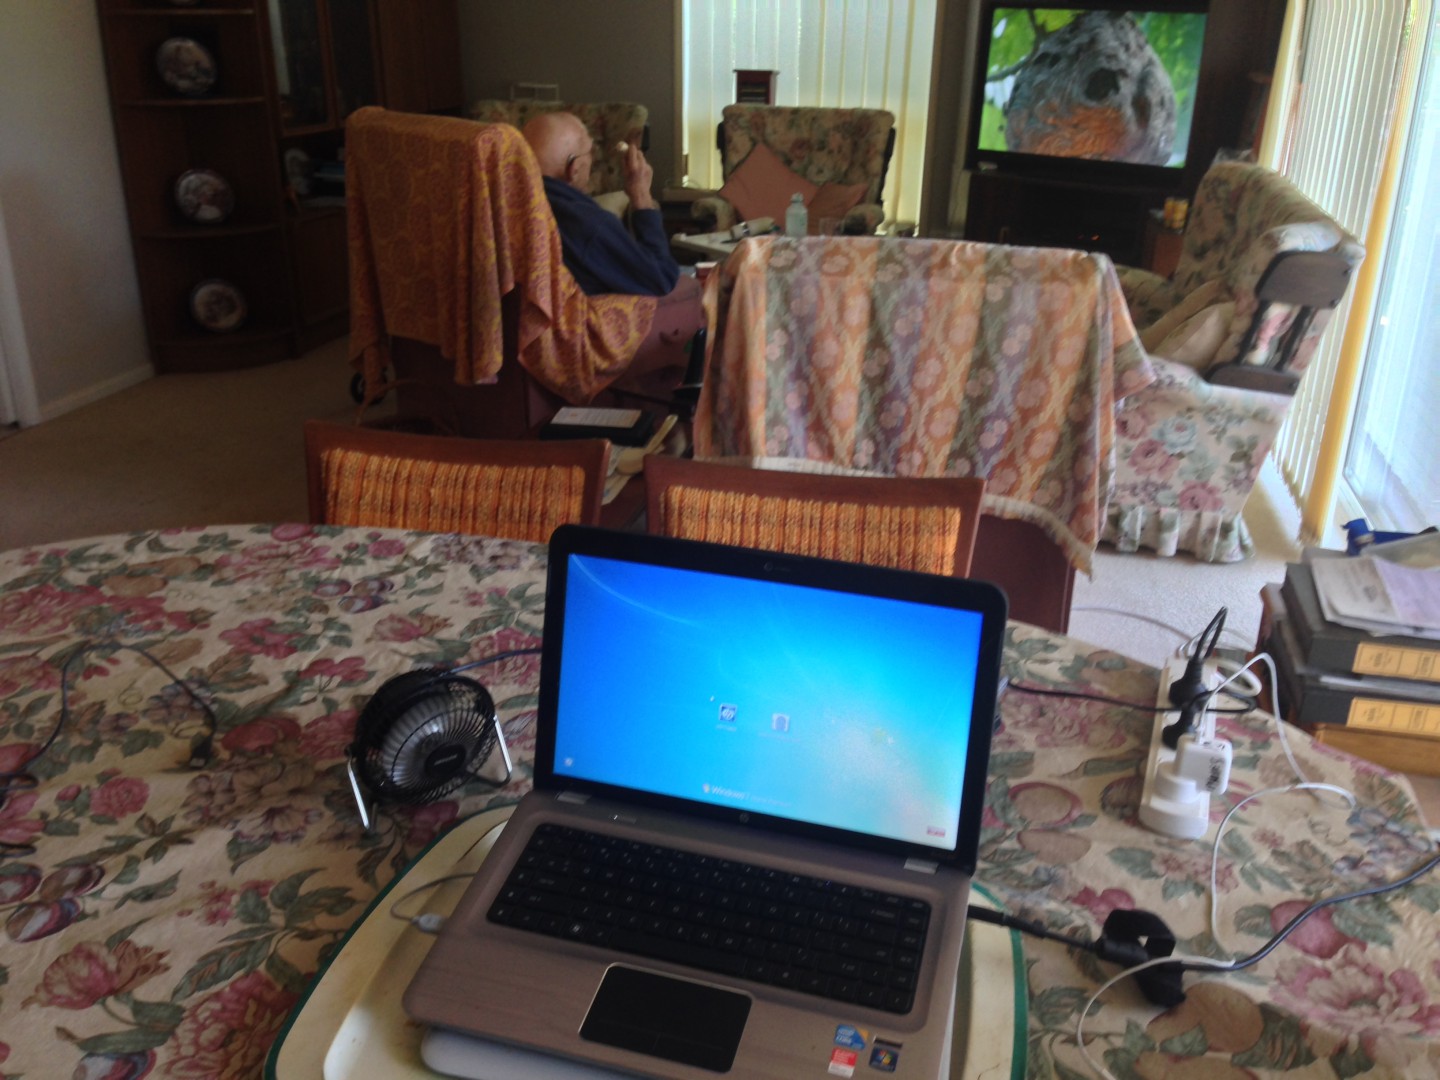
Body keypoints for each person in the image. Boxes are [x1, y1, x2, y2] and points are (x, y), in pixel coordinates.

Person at [521, 111, 681, 297]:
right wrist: (642, 197)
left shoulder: (508, 206)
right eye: (589, 152)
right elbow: (660, 278)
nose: (593, 159)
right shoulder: (586, 225)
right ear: (574, 169)